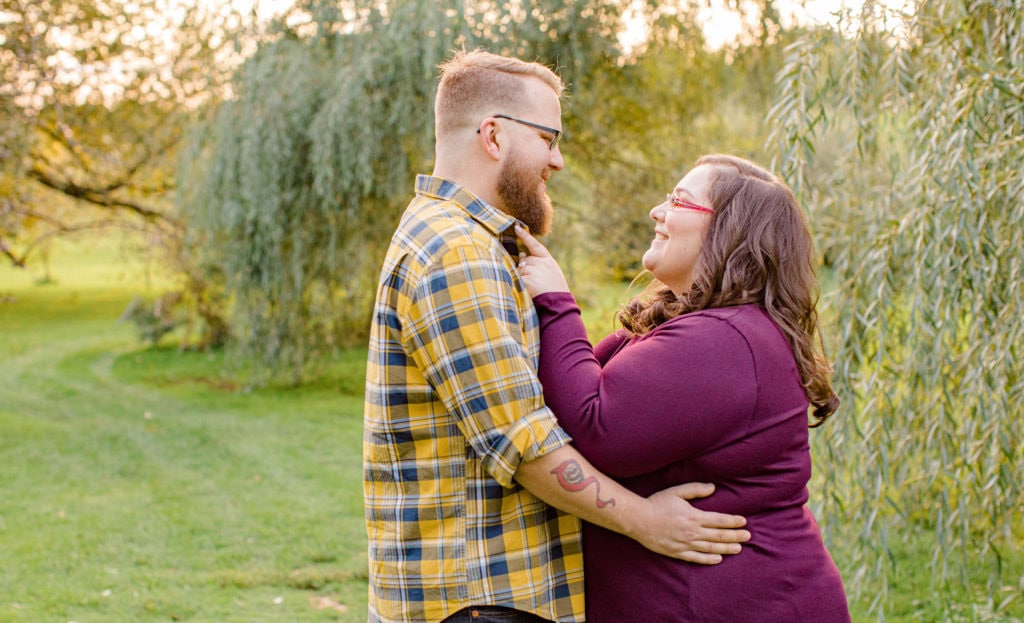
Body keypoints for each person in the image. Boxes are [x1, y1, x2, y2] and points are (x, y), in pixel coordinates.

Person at [364, 51, 750, 623]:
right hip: (481, 597)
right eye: (548, 138)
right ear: (493, 135)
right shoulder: (458, 255)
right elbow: (525, 446)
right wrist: (648, 522)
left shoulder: (453, 237)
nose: (558, 160)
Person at [515, 154, 851, 622]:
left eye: (678, 201)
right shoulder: (702, 325)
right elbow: (575, 380)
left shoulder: (726, 340)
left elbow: (593, 427)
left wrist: (556, 301)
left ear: (728, 233)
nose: (657, 211)